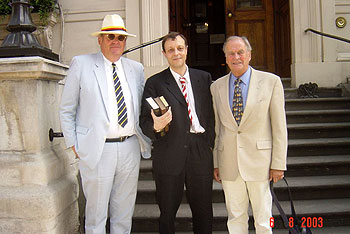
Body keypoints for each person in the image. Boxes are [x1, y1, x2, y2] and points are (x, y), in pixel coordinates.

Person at [59, 14, 151, 234]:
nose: (115, 41)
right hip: (97, 149)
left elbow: (141, 107)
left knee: (124, 211)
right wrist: (74, 143)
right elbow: (66, 108)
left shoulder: (136, 69)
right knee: (96, 213)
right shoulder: (81, 64)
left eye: (120, 37)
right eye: (110, 36)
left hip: (129, 146)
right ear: (100, 39)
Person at [211, 36, 288, 234]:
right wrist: (216, 162)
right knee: (235, 217)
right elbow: (217, 128)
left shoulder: (271, 82)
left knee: (263, 219)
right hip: (229, 162)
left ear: (249, 55)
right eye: (231, 53)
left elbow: (279, 127)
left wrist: (278, 163)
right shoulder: (216, 86)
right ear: (226, 58)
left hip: (260, 163)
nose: (236, 57)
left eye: (240, 52)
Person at [140, 32, 215, 234]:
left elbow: (212, 115)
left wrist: (210, 144)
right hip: (168, 152)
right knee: (167, 214)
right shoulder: (154, 83)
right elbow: (144, 121)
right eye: (171, 50)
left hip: (200, 151)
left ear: (187, 50)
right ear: (164, 53)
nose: (176, 53)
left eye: (180, 48)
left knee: (204, 211)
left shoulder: (204, 78)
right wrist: (156, 127)